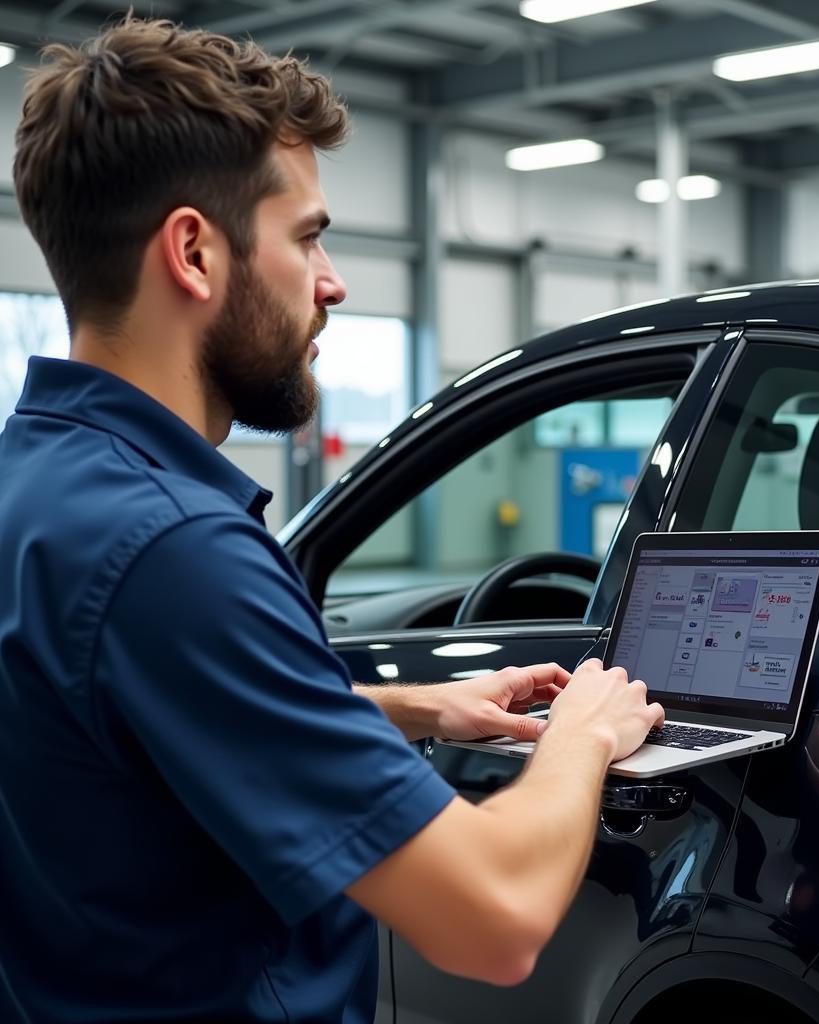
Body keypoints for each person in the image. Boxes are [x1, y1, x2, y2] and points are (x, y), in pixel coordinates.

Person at [0, 16, 663, 1023]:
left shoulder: (38, 488)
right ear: (194, 252)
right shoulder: (176, 553)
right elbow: (495, 916)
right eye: (307, 236)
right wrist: (582, 734)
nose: (332, 281)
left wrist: (414, 706)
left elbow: (134, 727)